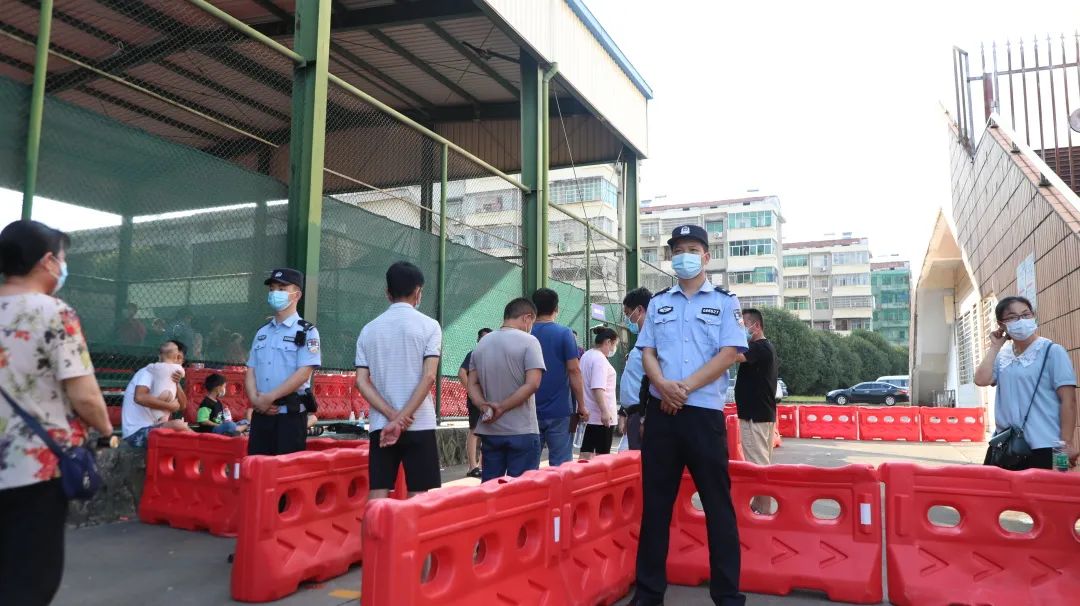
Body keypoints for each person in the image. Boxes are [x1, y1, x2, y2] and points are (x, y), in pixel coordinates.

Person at [631, 224, 748, 606]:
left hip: (703, 416)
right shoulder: (659, 303)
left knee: (718, 507)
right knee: (655, 507)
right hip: (662, 416)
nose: (685, 256)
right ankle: (648, 595)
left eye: (692, 249)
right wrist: (662, 385)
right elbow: (647, 351)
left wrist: (680, 389)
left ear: (706, 257)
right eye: (678, 250)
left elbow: (729, 353)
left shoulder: (726, 302)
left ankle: (727, 596)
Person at [0, 220, 113, 606]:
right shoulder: (53, 312)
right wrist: (106, 429)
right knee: (30, 580)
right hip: (35, 470)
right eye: (62, 259)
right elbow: (85, 395)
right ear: (47, 261)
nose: (63, 267)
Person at [355, 261, 442, 499]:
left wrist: (392, 416)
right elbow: (429, 376)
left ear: (388, 293)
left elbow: (361, 381)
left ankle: (373, 527)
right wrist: (403, 418)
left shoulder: (368, 330)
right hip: (419, 422)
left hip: (381, 424)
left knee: (378, 491)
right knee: (419, 496)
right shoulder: (430, 326)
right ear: (418, 292)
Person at [974, 296, 1078, 470]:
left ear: (1033, 316)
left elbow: (1069, 401)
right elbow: (981, 380)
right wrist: (995, 346)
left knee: (1044, 488)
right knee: (996, 487)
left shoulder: (1052, 351)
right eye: (1012, 317)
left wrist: (1066, 443)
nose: (1021, 320)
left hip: (1045, 445)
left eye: (1025, 314)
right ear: (1001, 325)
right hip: (1006, 445)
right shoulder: (1003, 356)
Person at [468, 298, 546, 481]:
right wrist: (502, 407)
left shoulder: (482, 343)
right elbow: (533, 383)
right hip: (522, 430)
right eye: (532, 323)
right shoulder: (530, 342)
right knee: (521, 490)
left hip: (490, 430)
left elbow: (472, 383)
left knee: (491, 488)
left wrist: (484, 406)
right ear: (527, 318)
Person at [245, 268, 321, 456]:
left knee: (286, 470)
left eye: (281, 288)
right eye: (272, 289)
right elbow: (251, 370)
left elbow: (304, 373)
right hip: (261, 415)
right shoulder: (262, 332)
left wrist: (269, 398)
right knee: (257, 467)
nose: (274, 293)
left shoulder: (307, 332)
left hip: (290, 417)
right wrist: (256, 400)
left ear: (297, 295)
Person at [530, 288, 587, 467]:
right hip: (560, 410)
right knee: (561, 468)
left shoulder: (525, 334)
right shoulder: (565, 333)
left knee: (528, 467)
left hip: (528, 409)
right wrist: (582, 405)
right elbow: (574, 371)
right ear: (556, 308)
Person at [733, 308, 778, 512]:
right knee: (762, 463)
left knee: (757, 466)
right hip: (762, 414)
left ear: (756, 326)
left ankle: (764, 510)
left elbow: (734, 356)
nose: (740, 330)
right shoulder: (764, 348)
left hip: (755, 416)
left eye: (743, 325)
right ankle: (759, 505)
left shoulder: (759, 347)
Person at [121, 340, 194, 448]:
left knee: (183, 434)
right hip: (136, 434)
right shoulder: (148, 372)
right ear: (161, 357)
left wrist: (177, 383)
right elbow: (139, 397)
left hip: (157, 428)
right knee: (178, 425)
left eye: (180, 359)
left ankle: (205, 447)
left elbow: (182, 406)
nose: (177, 362)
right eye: (174, 357)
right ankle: (205, 445)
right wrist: (169, 406)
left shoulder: (171, 378)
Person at [619, 287, 652, 451]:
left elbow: (652, 381)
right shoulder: (641, 340)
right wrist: (625, 412)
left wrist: (644, 418)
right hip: (634, 413)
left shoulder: (652, 340)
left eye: (628, 314)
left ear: (639, 310)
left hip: (642, 414)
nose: (628, 319)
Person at [579, 326, 619, 459]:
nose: (614, 349)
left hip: (589, 415)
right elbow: (597, 387)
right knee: (602, 458)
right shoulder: (600, 359)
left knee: (586, 453)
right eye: (614, 344)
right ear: (608, 342)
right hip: (601, 418)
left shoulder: (586, 355)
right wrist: (605, 411)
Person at [458, 328, 493, 479]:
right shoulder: (473, 354)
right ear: (478, 340)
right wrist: (472, 392)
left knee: (488, 432)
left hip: (490, 400)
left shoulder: (494, 356)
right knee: (474, 430)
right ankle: (473, 466)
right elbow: (461, 373)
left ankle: (484, 465)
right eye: (483, 338)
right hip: (476, 401)